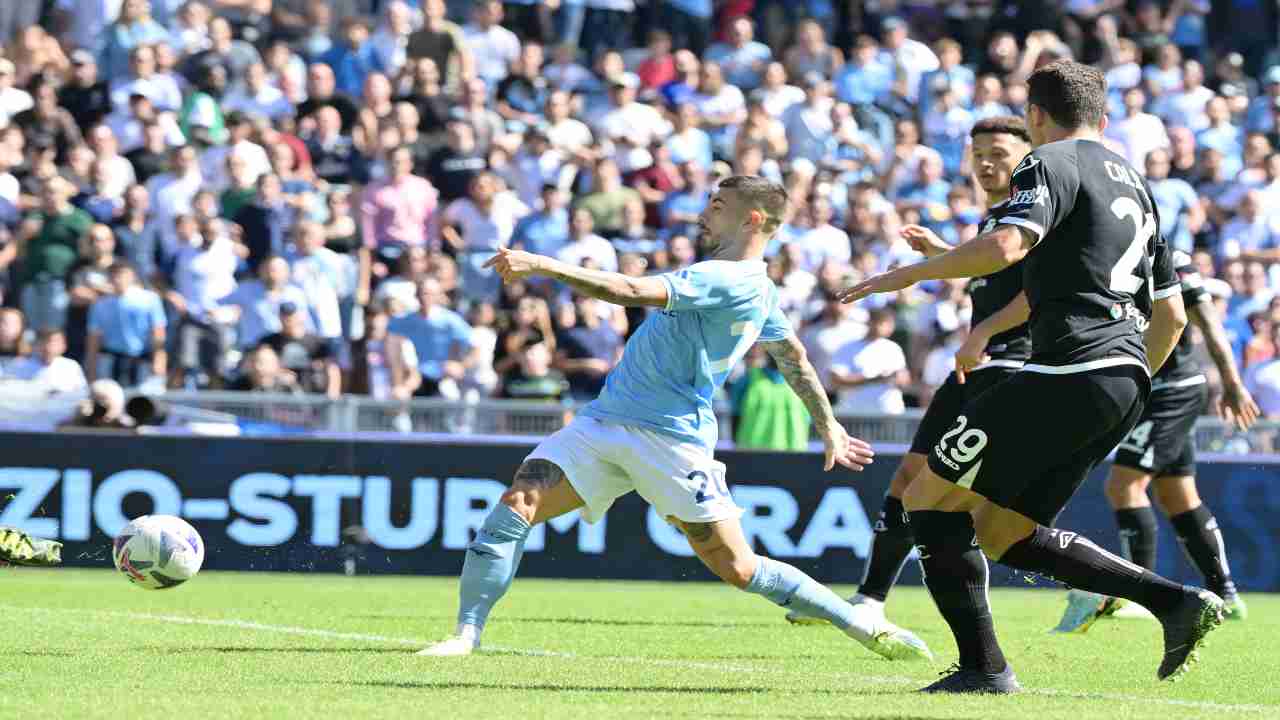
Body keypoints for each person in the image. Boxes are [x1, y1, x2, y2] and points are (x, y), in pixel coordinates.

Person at [418, 175, 928, 662]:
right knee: (518, 502)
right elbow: (793, 356)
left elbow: (628, 291)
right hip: (603, 423)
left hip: (670, 438)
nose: (705, 214)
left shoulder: (727, 278)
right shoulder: (756, 286)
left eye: (717, 206)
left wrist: (542, 265)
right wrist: (828, 425)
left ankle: (860, 622)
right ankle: (467, 633)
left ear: (752, 219)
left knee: (739, 568)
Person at [839, 60, 1220, 692]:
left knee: (925, 501)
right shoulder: (1139, 187)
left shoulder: (1047, 162)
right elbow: (1172, 317)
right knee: (1001, 530)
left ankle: (984, 670)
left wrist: (903, 275)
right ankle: (1174, 602)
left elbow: (1008, 247)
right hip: (1122, 381)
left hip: (1064, 372)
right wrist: (1126, 386)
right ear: (1103, 116)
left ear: (1034, 117)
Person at [784, 117, 1033, 634]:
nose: (986, 162)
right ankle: (870, 600)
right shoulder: (999, 217)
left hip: (1015, 370)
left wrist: (978, 326)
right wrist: (943, 252)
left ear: (1028, 157)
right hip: (976, 370)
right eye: (979, 152)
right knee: (910, 480)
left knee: (973, 508)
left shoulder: (1038, 212)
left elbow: (1043, 290)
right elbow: (994, 268)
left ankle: (1099, 591)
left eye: (1000, 153)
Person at [1054, 247, 1261, 630]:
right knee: (1177, 495)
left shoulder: (1174, 260)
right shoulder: (1106, 255)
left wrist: (1232, 382)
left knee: (1123, 486)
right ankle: (1226, 596)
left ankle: (1141, 595)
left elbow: (1207, 322)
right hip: (1146, 388)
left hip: (1173, 389)